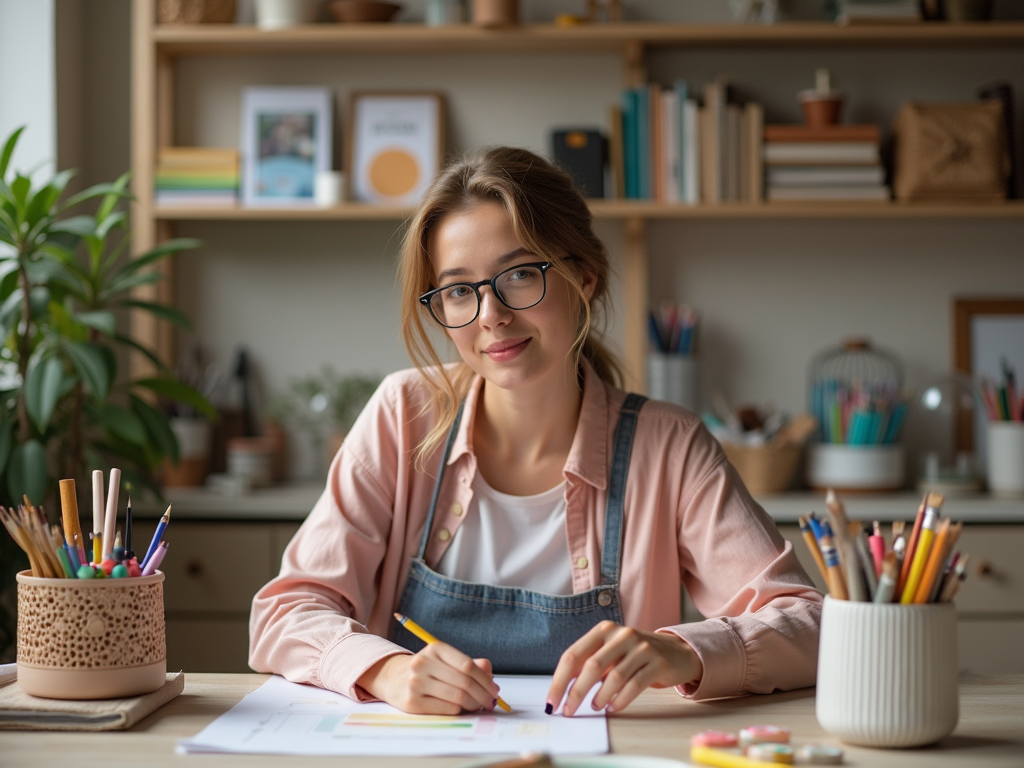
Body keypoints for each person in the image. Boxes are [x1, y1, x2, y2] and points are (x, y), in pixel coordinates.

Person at [249, 146, 822, 717]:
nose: (491, 314)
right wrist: (388, 668)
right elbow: (285, 612)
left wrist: (682, 650)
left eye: (520, 275)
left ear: (585, 277)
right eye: (458, 290)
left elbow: (812, 623)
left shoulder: (669, 445)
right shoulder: (403, 413)